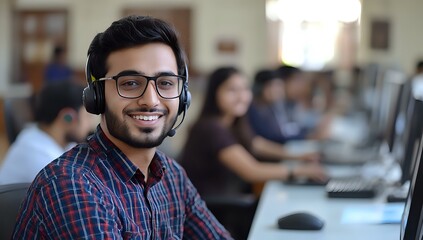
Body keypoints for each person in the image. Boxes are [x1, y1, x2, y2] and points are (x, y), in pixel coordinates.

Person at [12, 15, 231, 239]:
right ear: (96, 96)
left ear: (183, 97)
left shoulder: (173, 176)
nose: (151, 101)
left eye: (165, 83)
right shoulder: (72, 185)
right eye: (130, 83)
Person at [0, 81, 93, 185]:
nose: (89, 125)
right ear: (67, 117)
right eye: (87, 117)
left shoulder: (37, 134)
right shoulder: (45, 161)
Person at [247, 67, 330, 144]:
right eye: (273, 86)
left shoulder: (272, 107)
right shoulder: (256, 109)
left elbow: (289, 130)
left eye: (279, 86)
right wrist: (309, 137)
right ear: (260, 88)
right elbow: (274, 137)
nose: (278, 91)